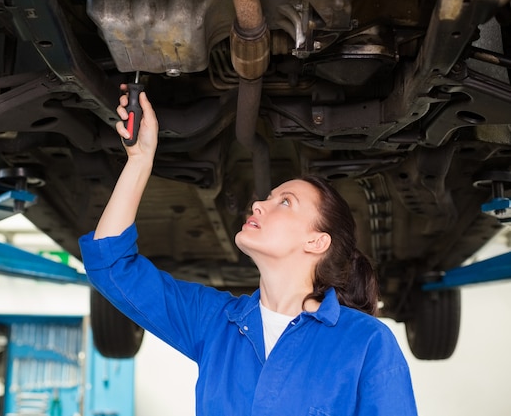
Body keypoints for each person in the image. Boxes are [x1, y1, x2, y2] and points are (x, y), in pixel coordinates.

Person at [78, 86, 418, 416]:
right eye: (267, 197)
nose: (257, 204)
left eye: (285, 201)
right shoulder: (215, 323)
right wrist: (140, 159)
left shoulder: (366, 342)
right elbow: (111, 266)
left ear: (317, 241)